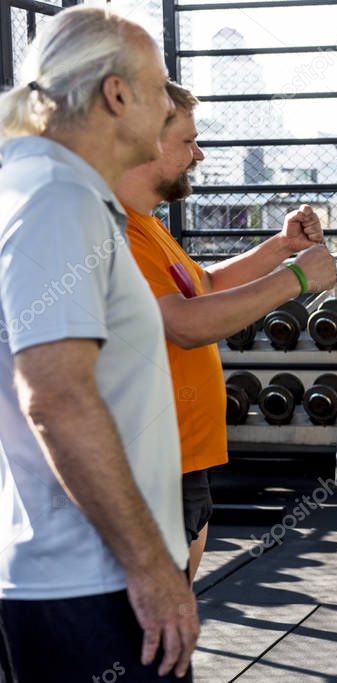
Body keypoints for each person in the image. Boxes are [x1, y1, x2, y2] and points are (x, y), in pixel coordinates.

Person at [0, 7, 200, 680]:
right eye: (161, 84)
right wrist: (150, 569)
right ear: (117, 95)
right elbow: (55, 397)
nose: (172, 101)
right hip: (92, 587)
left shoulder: (54, 189)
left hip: (86, 581)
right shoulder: (58, 199)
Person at [115, 82, 337, 584]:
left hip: (181, 459)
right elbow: (186, 326)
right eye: (189, 142)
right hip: (150, 467)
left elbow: (206, 287)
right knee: (148, 637)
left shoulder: (145, 226)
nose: (200, 153)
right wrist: (298, 278)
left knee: (166, 626)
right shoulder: (117, 231)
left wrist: (281, 247)